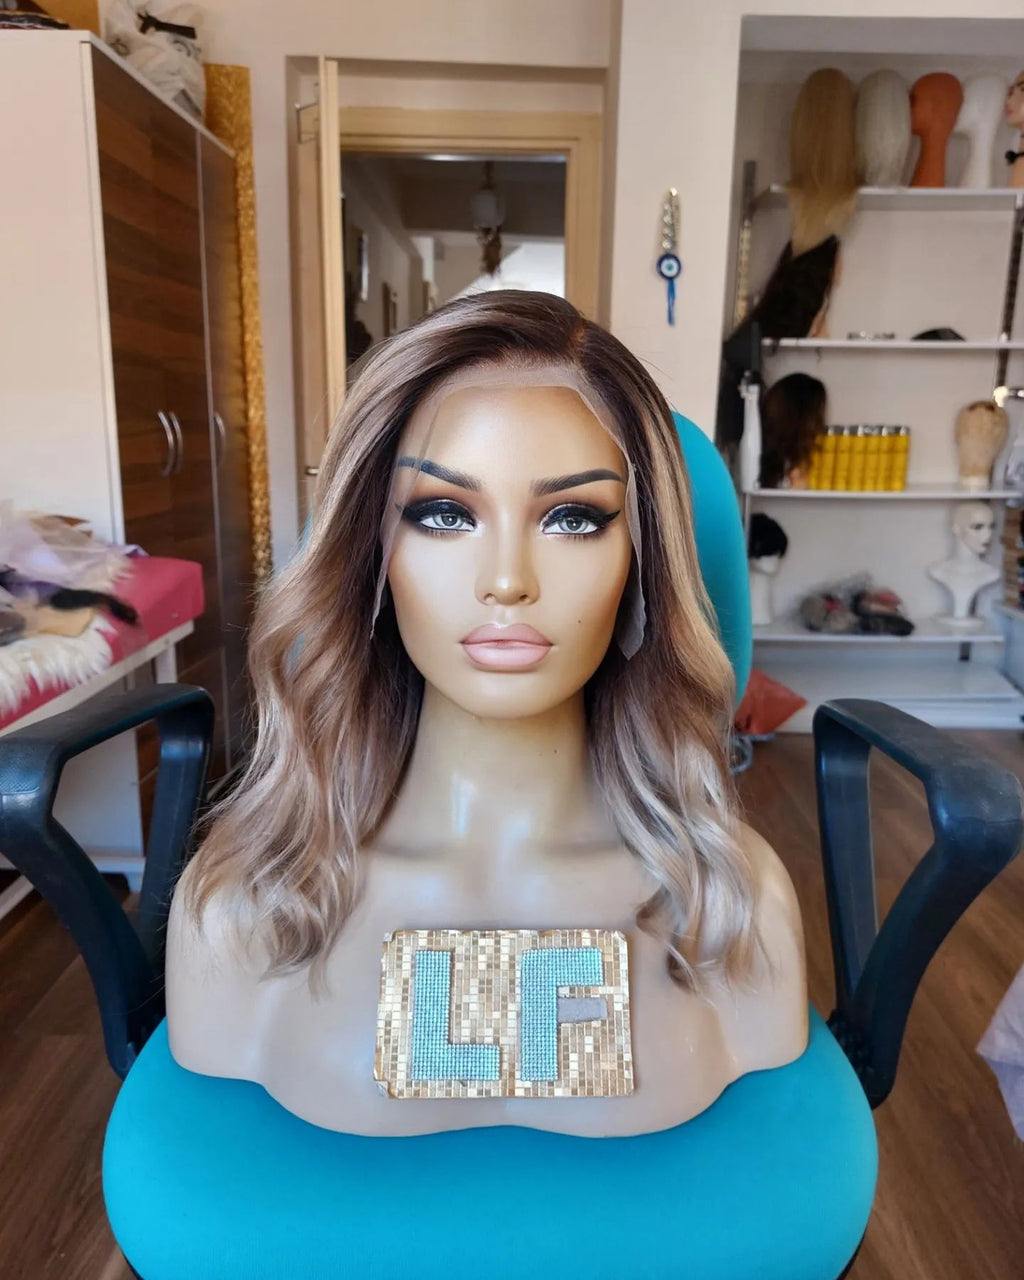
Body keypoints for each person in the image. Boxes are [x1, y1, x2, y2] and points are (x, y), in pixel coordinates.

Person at [167, 290, 807, 1137]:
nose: (507, 580)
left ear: (641, 562)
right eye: (444, 514)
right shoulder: (248, 907)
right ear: (372, 555)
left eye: (573, 518)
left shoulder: (737, 907)